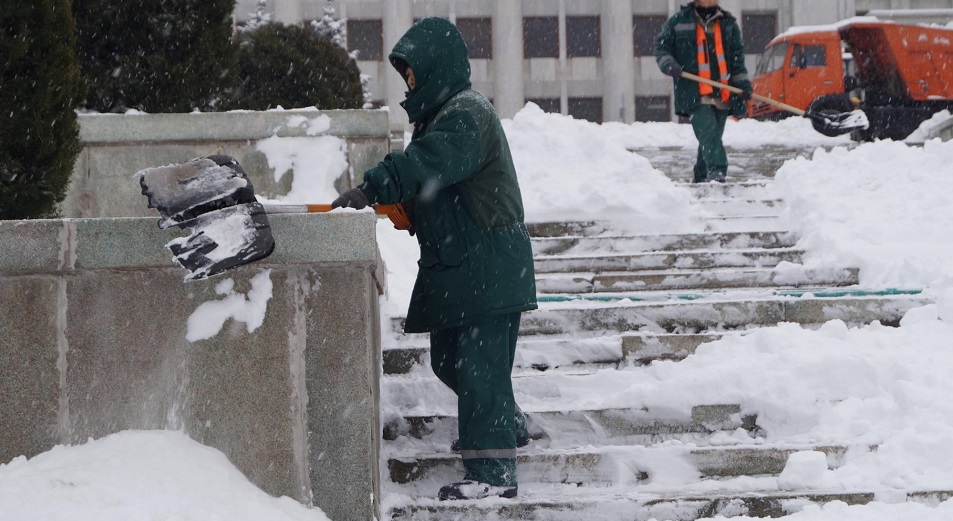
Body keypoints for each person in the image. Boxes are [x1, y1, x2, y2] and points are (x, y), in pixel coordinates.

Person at [331, 17, 537, 501]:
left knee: (480, 371)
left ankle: (492, 476)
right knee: (451, 361)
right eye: (405, 77)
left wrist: (375, 185)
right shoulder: (443, 116)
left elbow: (430, 162)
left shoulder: (466, 114)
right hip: (465, 266)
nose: (410, 84)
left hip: (487, 264)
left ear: (437, 67)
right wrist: (407, 208)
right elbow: (439, 185)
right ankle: (506, 422)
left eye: (413, 74)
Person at [655, 0, 752, 183]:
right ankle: (718, 171)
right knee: (709, 133)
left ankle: (701, 177)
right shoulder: (678, 21)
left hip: (723, 93)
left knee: (710, 139)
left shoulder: (728, 23)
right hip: (694, 93)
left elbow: (737, 59)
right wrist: (669, 64)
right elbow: (661, 48)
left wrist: (743, 86)